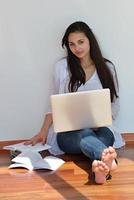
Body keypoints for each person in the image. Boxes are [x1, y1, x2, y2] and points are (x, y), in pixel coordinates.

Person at [25, 21, 125, 184]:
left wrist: (101, 120)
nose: (77, 48)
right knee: (85, 133)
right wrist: (43, 131)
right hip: (69, 135)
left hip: (100, 129)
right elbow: (53, 103)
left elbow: (115, 103)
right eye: (71, 44)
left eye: (81, 42)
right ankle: (109, 162)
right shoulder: (62, 67)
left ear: (90, 41)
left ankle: (98, 168)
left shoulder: (107, 67)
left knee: (106, 134)